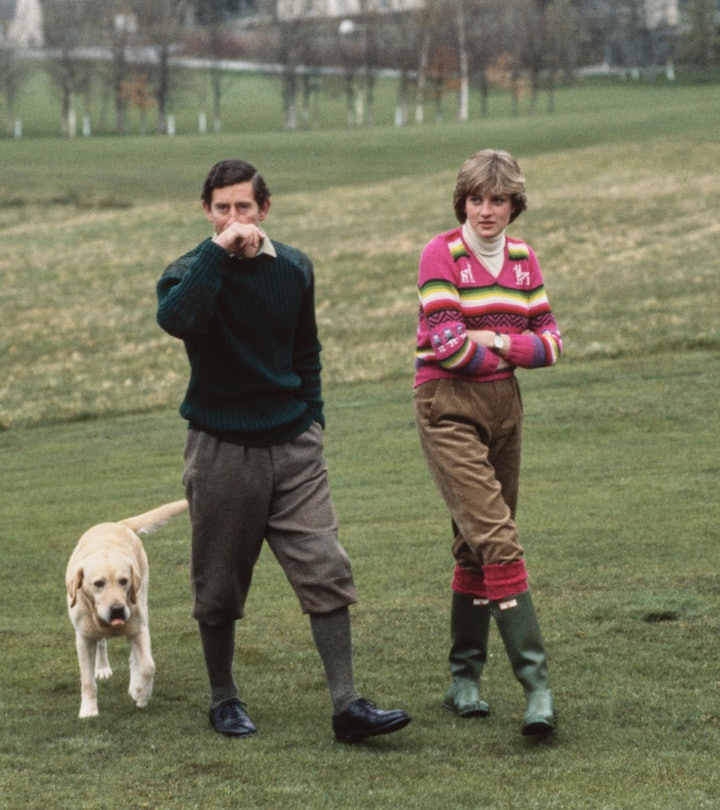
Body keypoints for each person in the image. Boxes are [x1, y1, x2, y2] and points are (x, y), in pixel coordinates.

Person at [156, 158, 411, 743]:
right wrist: (218, 253)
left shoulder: (294, 268)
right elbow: (177, 319)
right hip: (221, 449)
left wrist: (312, 422)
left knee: (326, 567)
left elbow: (306, 352)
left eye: (244, 206)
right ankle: (223, 699)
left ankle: (348, 706)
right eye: (221, 207)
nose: (234, 217)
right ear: (206, 211)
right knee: (218, 584)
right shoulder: (188, 271)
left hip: (294, 445)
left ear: (264, 209)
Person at [413, 149, 561, 736]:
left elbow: (551, 344)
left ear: (514, 204)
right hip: (446, 402)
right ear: (463, 202)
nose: (486, 211)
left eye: (498, 200)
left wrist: (499, 344)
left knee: (476, 544)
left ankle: (463, 680)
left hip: (506, 406)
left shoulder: (524, 260)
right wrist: (505, 342)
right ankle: (537, 688)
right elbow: (448, 348)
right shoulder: (440, 253)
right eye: (476, 199)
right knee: (499, 538)